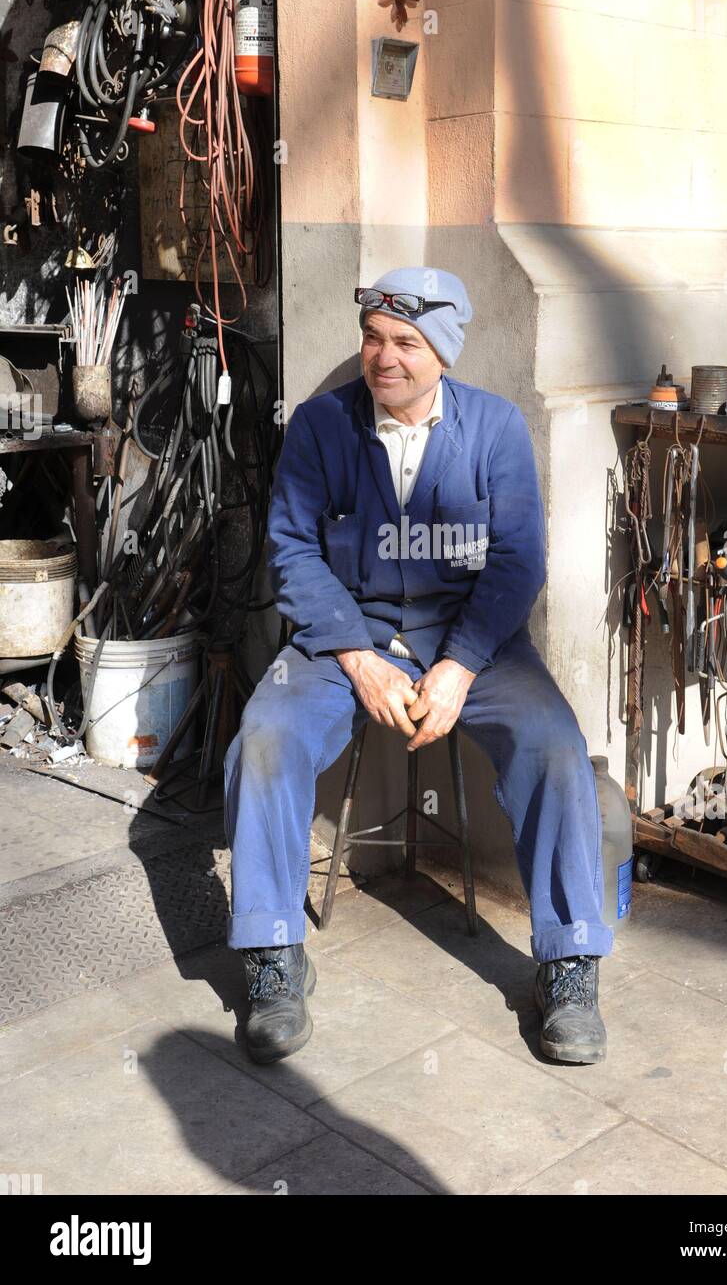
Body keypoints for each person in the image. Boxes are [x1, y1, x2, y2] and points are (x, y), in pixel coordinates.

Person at [224, 267, 612, 1066]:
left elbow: (516, 560)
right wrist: (357, 658)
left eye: (405, 342)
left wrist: (462, 664)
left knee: (554, 747)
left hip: (470, 640)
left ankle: (568, 963)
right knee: (262, 741)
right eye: (372, 338)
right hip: (344, 640)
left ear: (443, 352)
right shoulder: (320, 427)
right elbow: (292, 549)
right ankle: (272, 954)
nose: (384, 357)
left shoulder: (495, 428)